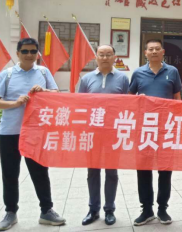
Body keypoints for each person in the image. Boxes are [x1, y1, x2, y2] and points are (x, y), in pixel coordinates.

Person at [0, 38, 66, 231]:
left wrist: (44, 90)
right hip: (10, 132)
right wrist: (15, 103)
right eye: (25, 51)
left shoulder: (43, 72)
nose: (29, 55)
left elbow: (56, 94)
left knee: (40, 172)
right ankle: (10, 212)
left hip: (36, 131)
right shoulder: (7, 75)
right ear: (17, 53)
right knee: (10, 173)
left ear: (37, 54)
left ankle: (47, 211)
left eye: (33, 51)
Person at [129, 39, 182, 226]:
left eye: (157, 49)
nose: (153, 52)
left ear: (163, 52)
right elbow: (130, 99)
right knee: (143, 169)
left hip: (165, 129)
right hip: (145, 129)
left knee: (165, 169)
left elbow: (177, 98)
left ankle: (162, 209)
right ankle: (146, 209)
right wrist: (138, 99)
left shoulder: (172, 71)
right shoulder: (138, 73)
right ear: (145, 53)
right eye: (150, 49)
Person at [78, 45, 130, 227]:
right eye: (102, 54)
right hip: (92, 132)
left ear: (115, 57)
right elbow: (80, 104)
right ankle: (93, 209)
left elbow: (127, 104)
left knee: (111, 172)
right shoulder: (86, 79)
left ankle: (109, 209)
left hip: (112, 132)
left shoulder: (123, 78)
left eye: (109, 54)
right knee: (92, 171)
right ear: (96, 57)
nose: (105, 57)